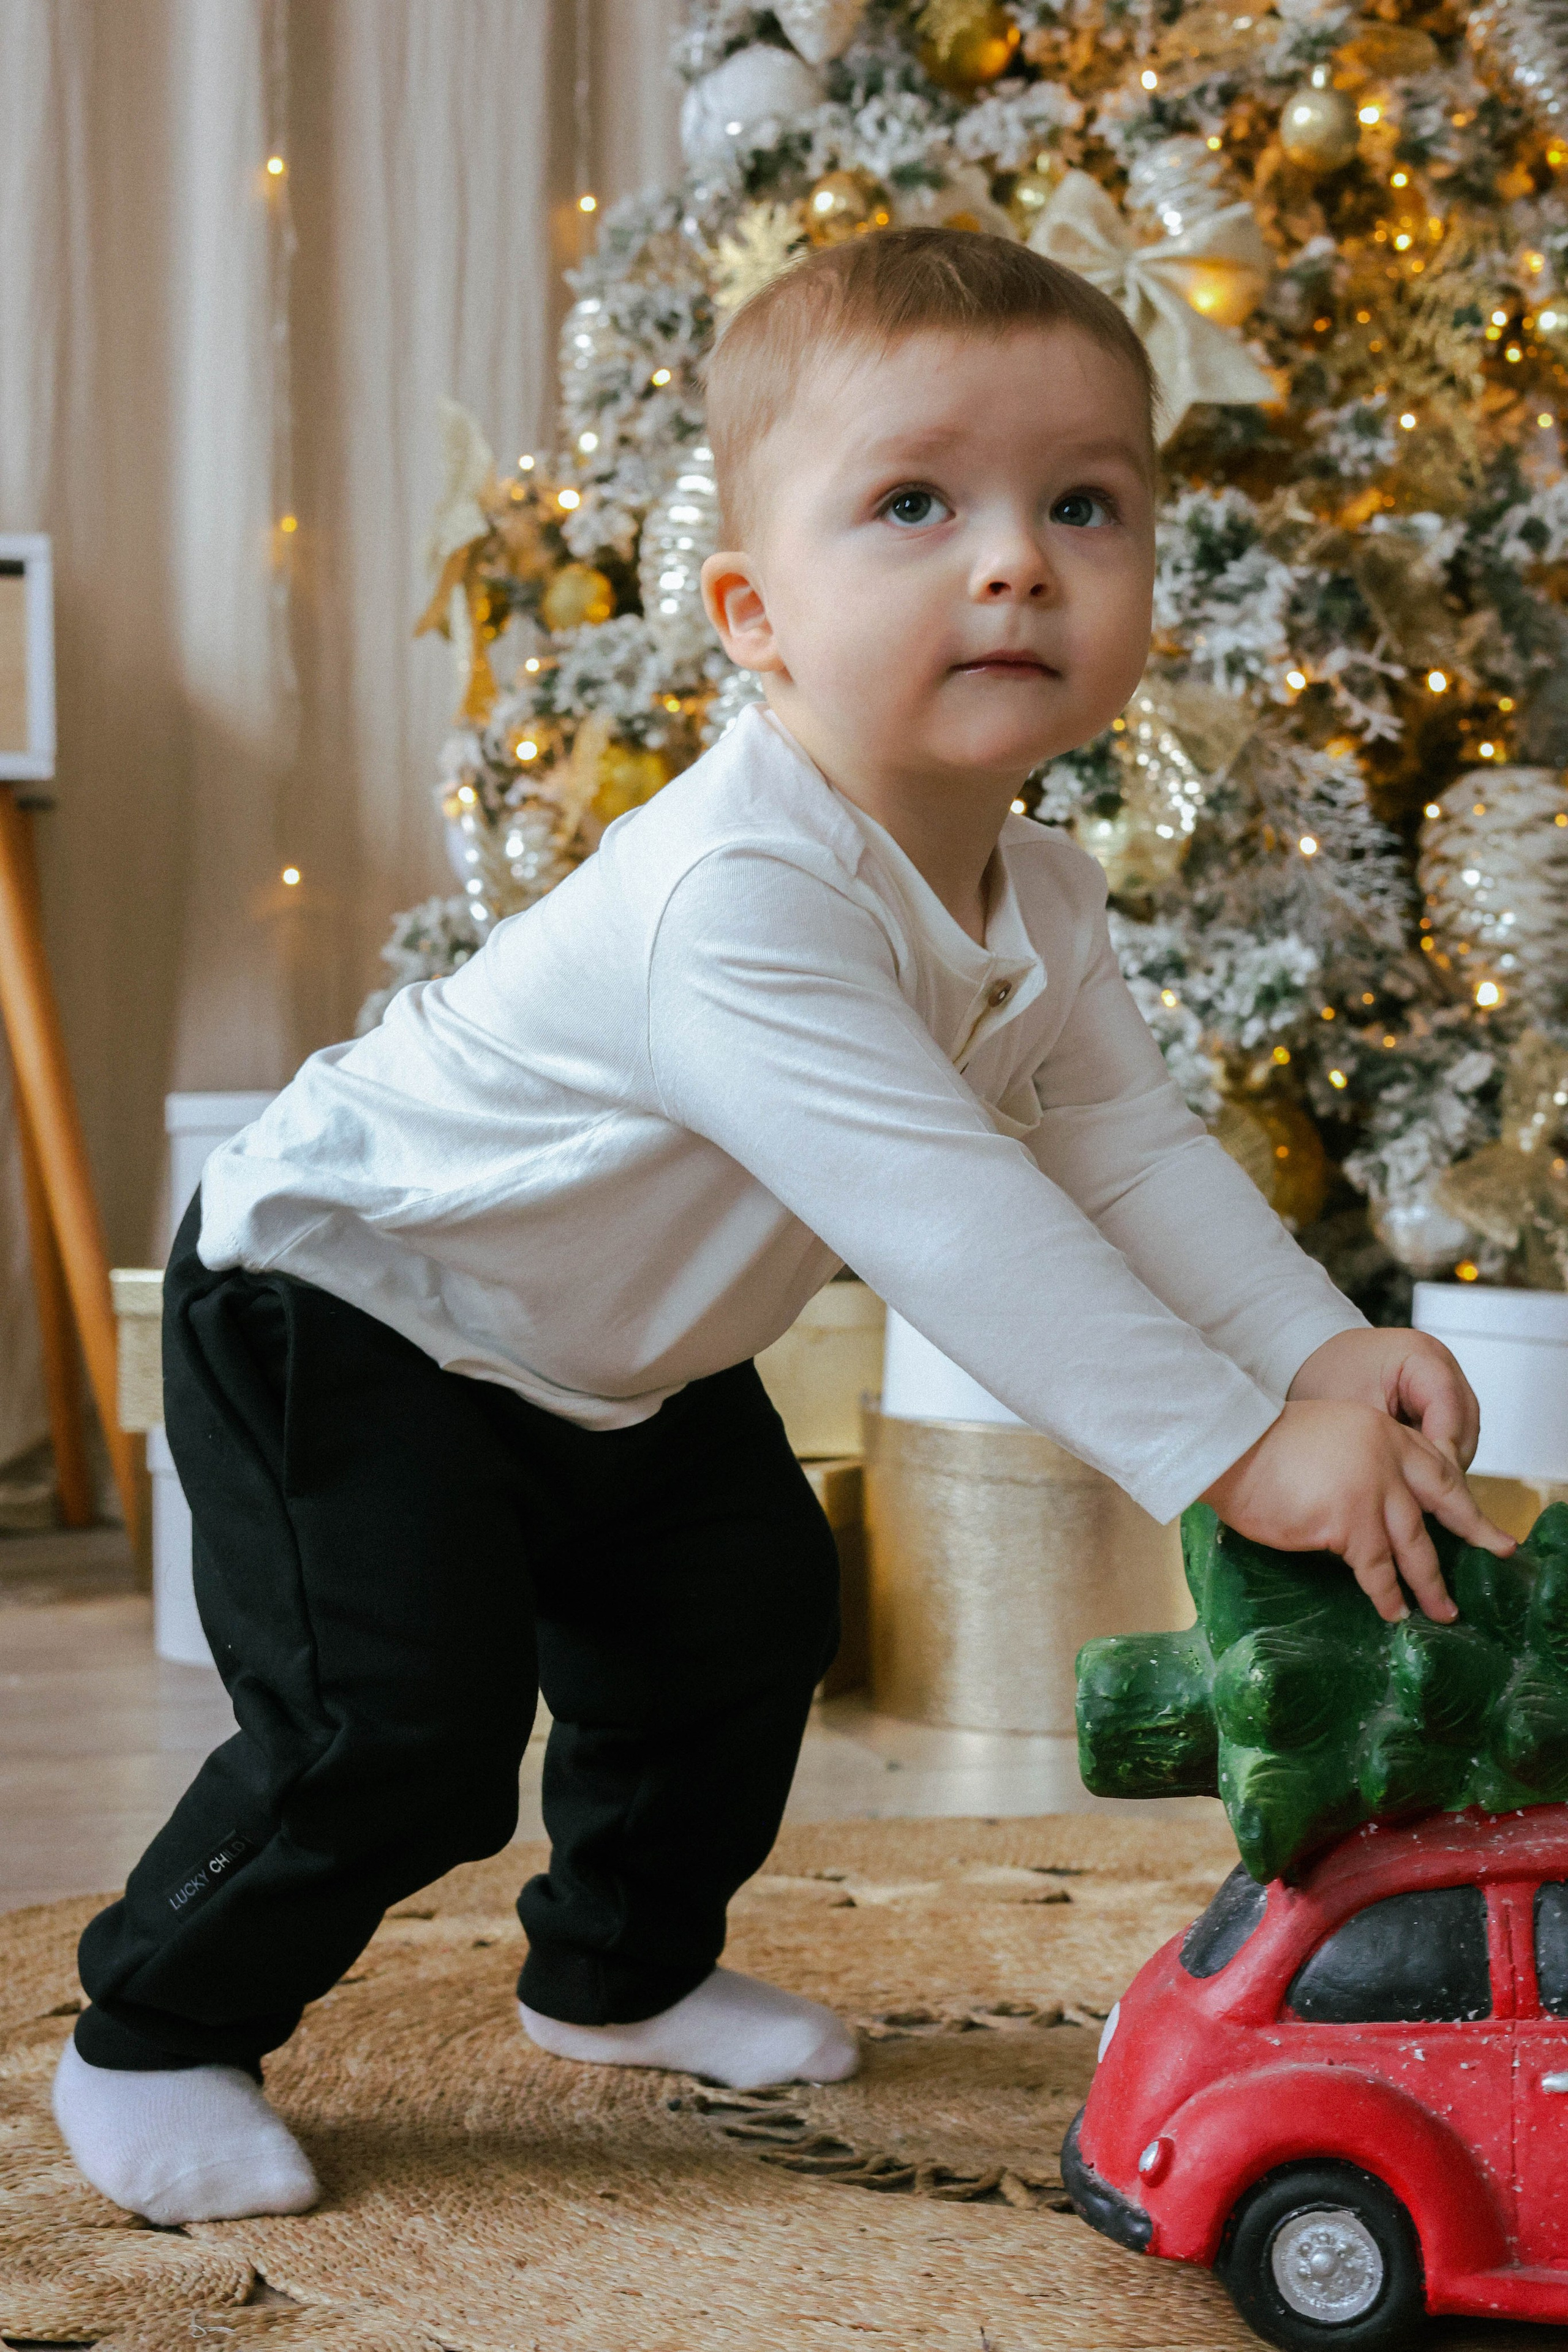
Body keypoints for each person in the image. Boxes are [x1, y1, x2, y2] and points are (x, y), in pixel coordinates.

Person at [54, 228, 1512, 2227]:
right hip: (354, 1295)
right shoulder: (738, 898)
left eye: (1083, 504)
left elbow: (1136, 1160)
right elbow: (960, 1225)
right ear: (754, 615)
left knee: (742, 1622)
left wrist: (1313, 1348)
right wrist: (1243, 1455)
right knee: (400, 1731)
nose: (1014, 559)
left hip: (609, 1361)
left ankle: (617, 1974)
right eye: (916, 503)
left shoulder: (1044, 904)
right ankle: (148, 2027)